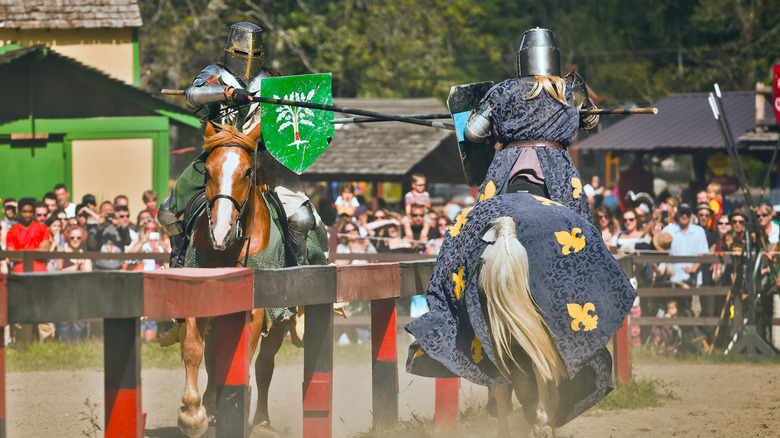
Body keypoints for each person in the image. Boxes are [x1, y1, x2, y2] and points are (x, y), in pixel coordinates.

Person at [160, 22, 321, 269]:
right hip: (218, 156)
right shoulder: (215, 73)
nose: (248, 59)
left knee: (301, 218)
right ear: (230, 51)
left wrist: (285, 108)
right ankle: (179, 256)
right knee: (166, 213)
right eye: (243, 53)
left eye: (254, 54)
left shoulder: (270, 83)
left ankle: (298, 272)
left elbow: (287, 125)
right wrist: (227, 92)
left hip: (263, 160)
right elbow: (193, 95)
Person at [463, 27, 598, 223]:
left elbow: (473, 133)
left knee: (480, 222)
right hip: (556, 167)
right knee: (579, 224)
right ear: (554, 56)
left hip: (510, 165)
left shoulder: (503, 90)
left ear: (522, 58)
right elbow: (591, 120)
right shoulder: (571, 89)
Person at [55, 225, 92, 342]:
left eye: (78, 237)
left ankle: (78, 348)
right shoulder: (62, 253)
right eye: (72, 238)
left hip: (80, 294)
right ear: (67, 238)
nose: (75, 240)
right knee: (64, 325)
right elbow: (58, 272)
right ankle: (62, 348)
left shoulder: (85, 255)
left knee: (79, 325)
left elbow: (88, 274)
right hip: (64, 294)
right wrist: (76, 266)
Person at [6, 197, 50, 272]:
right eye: (24, 211)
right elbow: (11, 255)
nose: (27, 214)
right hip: (20, 272)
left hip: (39, 271)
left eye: (30, 212)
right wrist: (35, 253)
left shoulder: (42, 228)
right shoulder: (12, 231)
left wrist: (22, 252)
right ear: (19, 211)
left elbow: (44, 251)